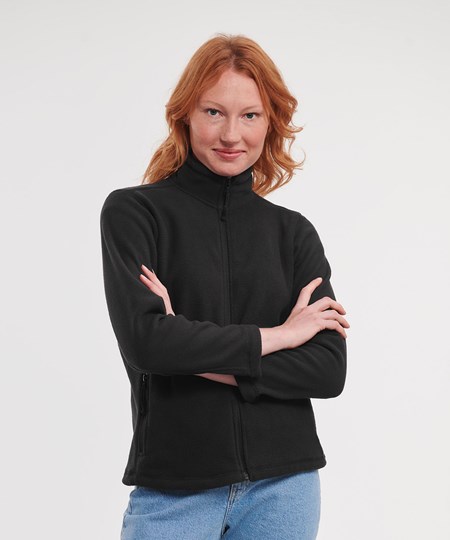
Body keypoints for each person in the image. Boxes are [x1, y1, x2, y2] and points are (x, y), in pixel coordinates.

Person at [100, 33, 349, 540]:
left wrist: (189, 350)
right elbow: (148, 343)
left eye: (250, 115)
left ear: (270, 121)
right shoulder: (135, 213)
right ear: (185, 115)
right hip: (176, 489)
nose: (231, 134)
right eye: (214, 112)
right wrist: (280, 336)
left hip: (285, 489)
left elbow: (327, 370)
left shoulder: (293, 233)